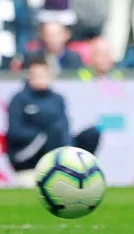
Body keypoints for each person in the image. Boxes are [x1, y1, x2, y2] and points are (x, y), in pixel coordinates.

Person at [6, 57, 101, 188]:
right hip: (29, 154)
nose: (41, 79)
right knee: (54, 131)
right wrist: (43, 135)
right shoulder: (19, 99)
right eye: (37, 75)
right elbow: (15, 132)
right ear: (29, 76)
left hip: (57, 145)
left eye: (44, 75)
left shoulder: (58, 98)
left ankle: (79, 168)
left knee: (92, 133)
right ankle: (62, 166)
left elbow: (64, 127)